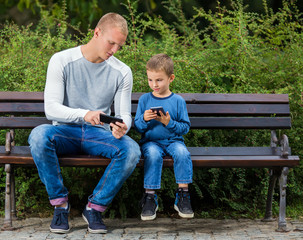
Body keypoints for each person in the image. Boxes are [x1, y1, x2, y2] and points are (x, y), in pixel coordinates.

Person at [28, 13, 141, 234]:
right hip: (64, 131)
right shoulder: (61, 60)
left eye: (120, 46)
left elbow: (125, 113)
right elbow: (51, 108)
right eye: (111, 43)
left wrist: (123, 125)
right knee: (39, 136)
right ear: (97, 33)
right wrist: (84, 114)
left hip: (98, 134)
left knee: (131, 150)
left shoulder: (122, 71)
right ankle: (60, 205)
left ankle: (94, 208)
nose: (115, 50)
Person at [134, 53, 194, 221]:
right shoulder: (145, 100)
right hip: (151, 142)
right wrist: (145, 119)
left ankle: (183, 195)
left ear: (171, 78)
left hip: (174, 141)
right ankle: (150, 197)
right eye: (150, 80)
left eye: (159, 80)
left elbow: (185, 128)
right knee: (152, 155)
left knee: (183, 153)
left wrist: (169, 123)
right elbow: (138, 127)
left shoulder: (178, 101)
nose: (154, 84)